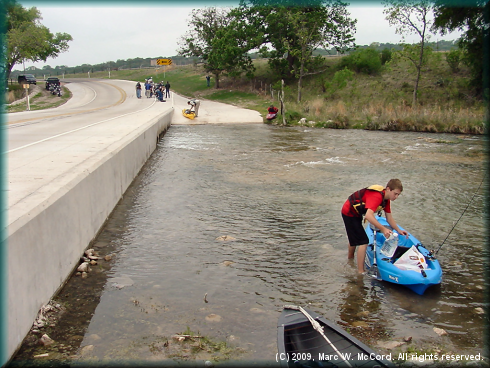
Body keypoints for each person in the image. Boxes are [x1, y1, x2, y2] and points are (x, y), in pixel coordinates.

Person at [341, 179, 408, 274]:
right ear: (388, 189)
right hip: (348, 212)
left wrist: (398, 230)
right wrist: (383, 229)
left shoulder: (386, 200)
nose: (396, 197)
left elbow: (389, 218)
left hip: (356, 212)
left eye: (398, 195)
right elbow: (369, 216)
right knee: (363, 241)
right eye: (395, 193)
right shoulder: (377, 197)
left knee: (355, 236)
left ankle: (350, 259)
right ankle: (360, 272)